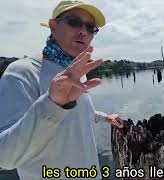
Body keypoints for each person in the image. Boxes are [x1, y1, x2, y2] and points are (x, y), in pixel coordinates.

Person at [0, 1, 124, 179]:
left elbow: (81, 114)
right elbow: (5, 158)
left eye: (90, 27)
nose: (83, 31)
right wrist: (52, 103)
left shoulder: (76, 74)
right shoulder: (22, 72)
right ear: (53, 26)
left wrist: (105, 117)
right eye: (74, 22)